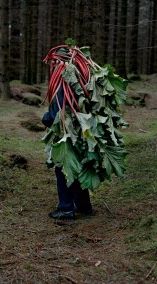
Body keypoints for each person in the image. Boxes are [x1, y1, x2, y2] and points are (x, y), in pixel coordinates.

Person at [42, 87, 92, 220]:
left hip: (68, 134)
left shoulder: (62, 87)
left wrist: (45, 118)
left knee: (64, 169)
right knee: (79, 167)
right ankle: (84, 206)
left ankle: (66, 209)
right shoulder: (83, 82)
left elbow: (53, 117)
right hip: (84, 133)